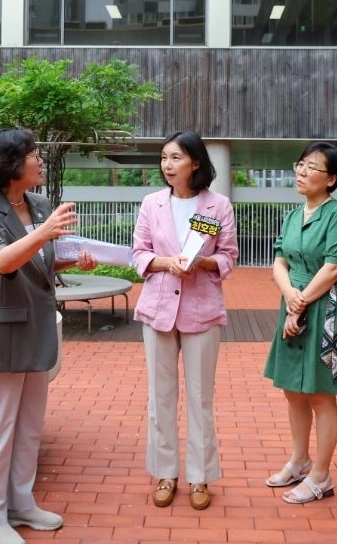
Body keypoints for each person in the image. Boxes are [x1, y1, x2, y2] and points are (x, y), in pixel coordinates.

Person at [0, 128, 98, 544]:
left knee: (29, 427)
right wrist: (43, 233)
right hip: (0, 334)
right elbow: (4, 261)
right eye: (33, 155)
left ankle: (21, 503)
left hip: (36, 329)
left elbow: (40, 260)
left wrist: (73, 261)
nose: (40, 160)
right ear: (10, 164)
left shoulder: (38, 204)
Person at [132, 130, 239, 510]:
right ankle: (165, 473)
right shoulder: (152, 204)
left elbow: (228, 256)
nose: (167, 165)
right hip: (158, 309)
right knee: (160, 397)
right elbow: (139, 253)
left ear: (195, 163)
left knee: (199, 397)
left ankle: (200, 477)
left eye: (175, 157)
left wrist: (203, 262)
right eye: (164, 157)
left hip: (201, 310)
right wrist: (166, 262)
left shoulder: (217, 206)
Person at [263, 141, 337, 504]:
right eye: (300, 165)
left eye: (312, 167)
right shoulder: (292, 216)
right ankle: (300, 460)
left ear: (331, 178)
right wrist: (290, 295)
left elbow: (333, 268)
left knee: (320, 393)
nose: (302, 172)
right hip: (294, 301)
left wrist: (300, 303)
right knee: (292, 390)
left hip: (323, 310)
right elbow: (279, 261)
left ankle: (321, 475)